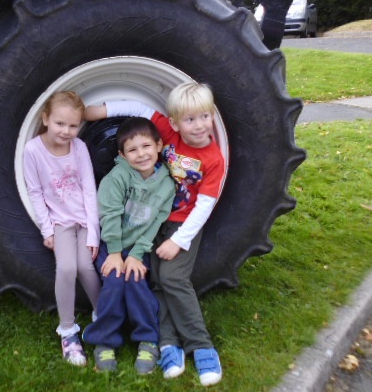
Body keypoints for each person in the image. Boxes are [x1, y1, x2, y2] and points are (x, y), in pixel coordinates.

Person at [84, 81, 225, 386]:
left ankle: (201, 346)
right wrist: (95, 111)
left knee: (173, 277)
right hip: (151, 221)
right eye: (190, 119)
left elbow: (204, 205)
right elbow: (139, 110)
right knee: (157, 279)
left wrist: (178, 239)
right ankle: (167, 343)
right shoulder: (170, 136)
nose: (199, 126)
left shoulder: (214, 159)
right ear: (174, 124)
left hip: (180, 225)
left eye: (204, 116)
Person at [82, 117, 175, 375]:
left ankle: (147, 338)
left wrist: (135, 255)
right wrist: (114, 253)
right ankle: (105, 339)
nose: (141, 154)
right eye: (132, 150)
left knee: (135, 280)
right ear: (122, 154)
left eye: (146, 146)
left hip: (137, 247)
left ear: (159, 145)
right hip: (111, 243)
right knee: (113, 280)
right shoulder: (118, 177)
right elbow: (109, 215)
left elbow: (156, 222)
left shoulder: (166, 185)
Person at [23, 91, 101, 367]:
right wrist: (47, 230)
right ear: (45, 118)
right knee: (67, 268)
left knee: (87, 266)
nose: (66, 131)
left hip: (84, 220)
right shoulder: (33, 150)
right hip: (61, 223)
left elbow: (90, 190)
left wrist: (93, 232)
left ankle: (103, 316)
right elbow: (34, 192)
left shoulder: (78, 148)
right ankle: (68, 332)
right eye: (59, 124)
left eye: (73, 125)